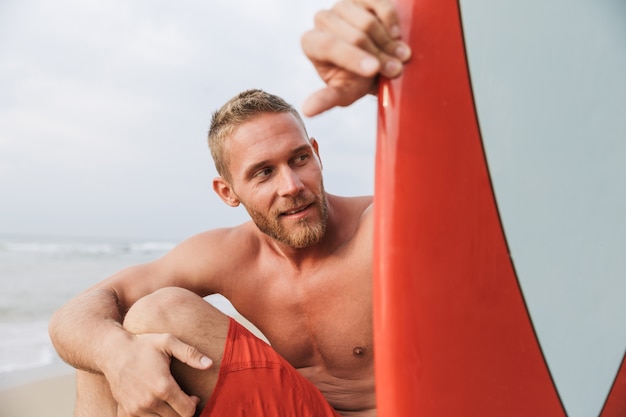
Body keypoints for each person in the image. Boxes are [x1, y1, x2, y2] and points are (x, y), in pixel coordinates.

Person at [48, 1, 412, 417]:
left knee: (159, 311)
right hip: (293, 407)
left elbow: (464, 183)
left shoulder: (378, 227)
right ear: (228, 192)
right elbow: (75, 313)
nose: (291, 186)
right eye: (263, 173)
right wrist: (114, 354)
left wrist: (397, 76)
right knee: (106, 342)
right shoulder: (231, 254)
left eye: (298, 159)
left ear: (317, 154)